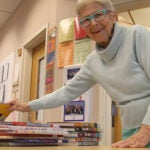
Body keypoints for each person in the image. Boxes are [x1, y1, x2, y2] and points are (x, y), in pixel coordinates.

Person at [8, 0, 150, 148]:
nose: (93, 23)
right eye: (86, 20)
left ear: (113, 16)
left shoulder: (138, 35)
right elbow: (66, 93)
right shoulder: (93, 62)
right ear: (82, 27)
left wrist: (147, 129)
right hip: (132, 128)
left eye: (98, 15)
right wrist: (27, 106)